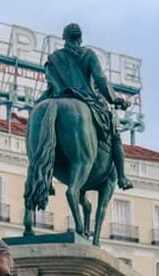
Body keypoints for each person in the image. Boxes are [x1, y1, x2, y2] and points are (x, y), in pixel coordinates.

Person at [39, 23, 134, 190]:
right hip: (86, 98)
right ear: (80, 38)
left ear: (64, 37)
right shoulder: (88, 55)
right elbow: (100, 80)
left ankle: (43, 175)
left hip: (57, 94)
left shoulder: (54, 57)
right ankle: (121, 177)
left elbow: (49, 77)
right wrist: (114, 99)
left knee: (37, 118)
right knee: (115, 135)